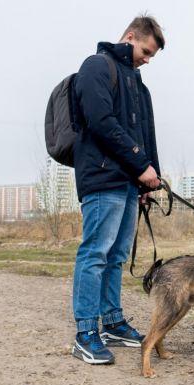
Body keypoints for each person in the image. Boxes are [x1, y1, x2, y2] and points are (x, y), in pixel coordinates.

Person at [70, 15, 165, 365]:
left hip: (129, 184)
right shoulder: (97, 66)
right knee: (95, 253)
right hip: (102, 178)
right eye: (146, 50)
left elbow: (146, 136)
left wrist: (149, 179)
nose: (147, 59)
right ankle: (85, 332)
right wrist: (141, 164)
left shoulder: (139, 85)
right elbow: (101, 123)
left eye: (152, 55)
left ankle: (111, 322)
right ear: (129, 36)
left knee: (117, 256)